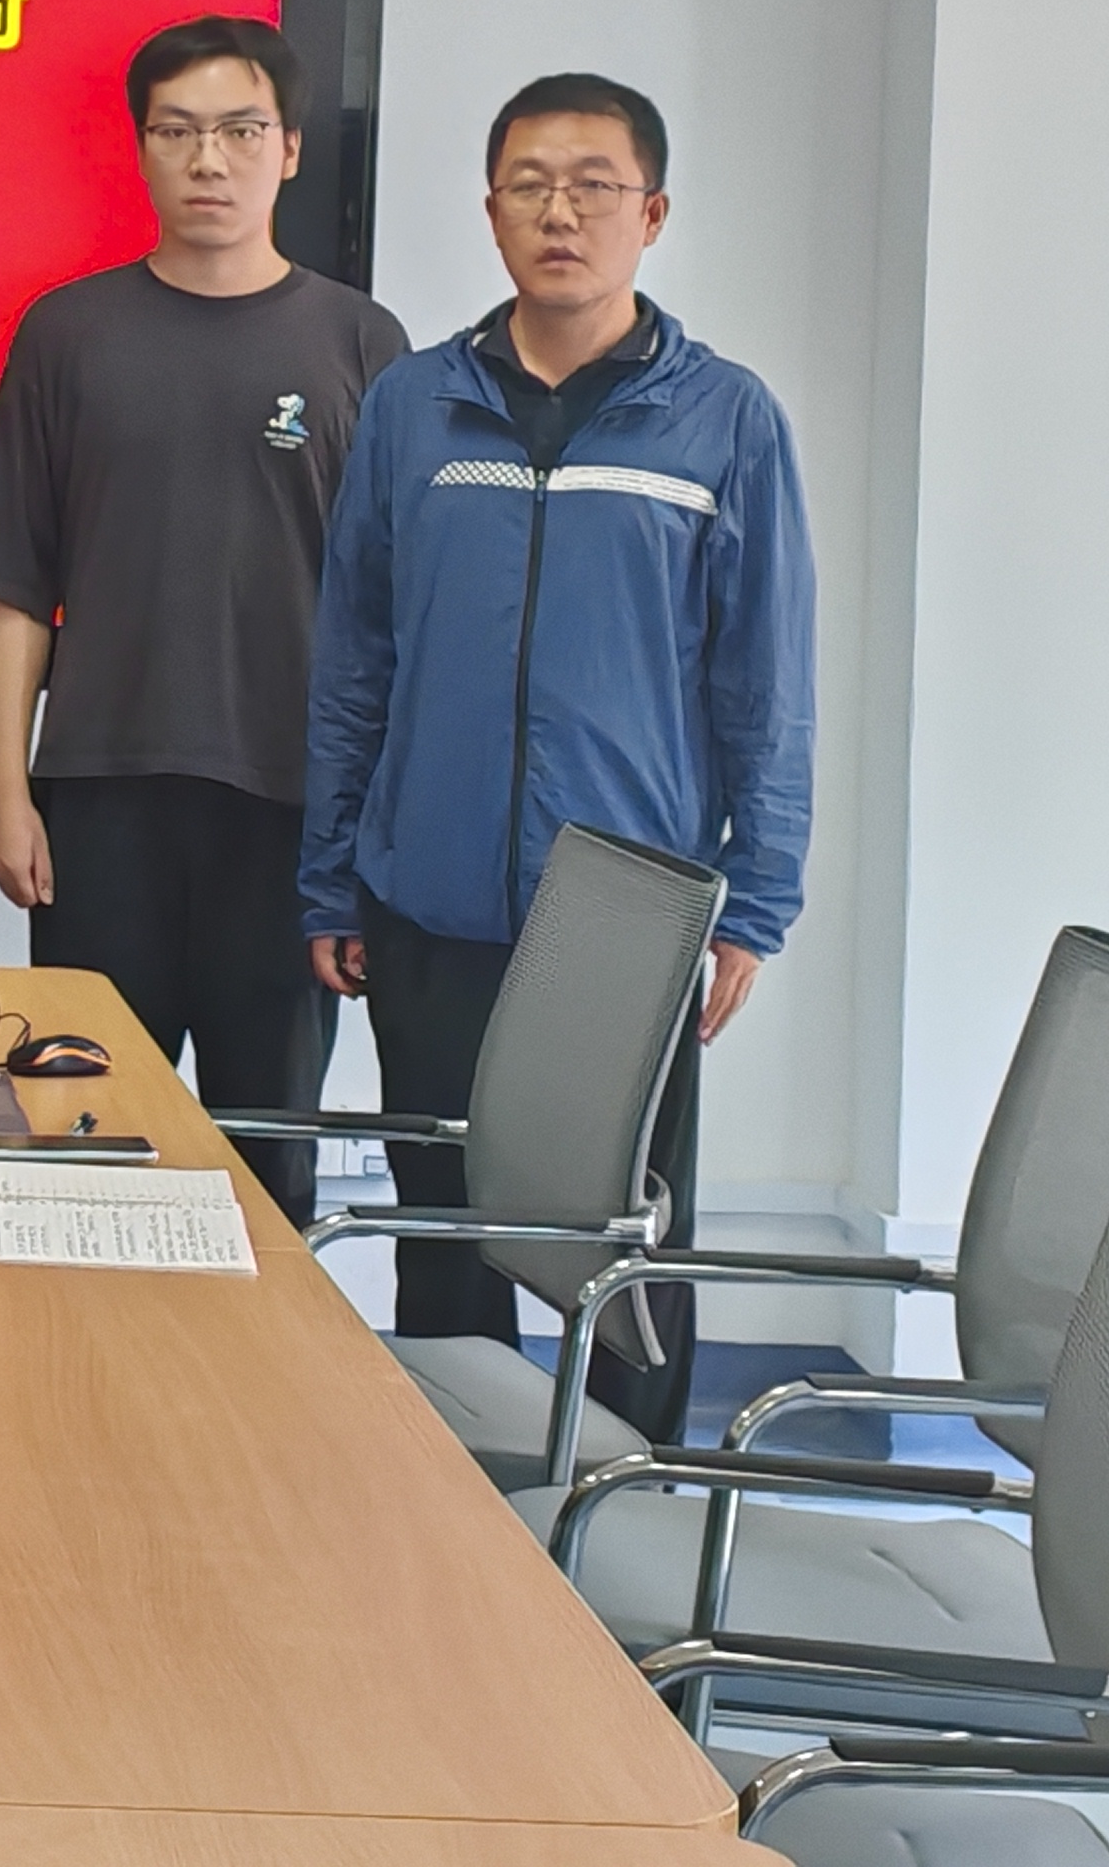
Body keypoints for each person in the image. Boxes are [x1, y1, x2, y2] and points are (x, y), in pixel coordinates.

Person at [299, 71, 814, 1437]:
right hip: (430, 902)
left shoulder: (725, 418)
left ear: (652, 214)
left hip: (624, 921)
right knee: (444, 1236)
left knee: (622, 1255)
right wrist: (331, 874)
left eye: (593, 186)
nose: (559, 213)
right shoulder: (414, 408)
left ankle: (628, 1513)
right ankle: (452, 1512)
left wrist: (754, 903)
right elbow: (354, 660)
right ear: (490, 212)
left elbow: (765, 682)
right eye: (529, 185)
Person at [0, 17, 405, 1216]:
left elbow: (389, 615)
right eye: (177, 132)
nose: (208, 159)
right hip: (101, 800)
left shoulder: (361, 343)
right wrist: (6, 789)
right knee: (81, 1137)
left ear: (289, 149)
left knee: (265, 1158)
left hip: (288, 809)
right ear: (141, 149)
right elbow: (14, 580)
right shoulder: (68, 333)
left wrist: (363, 830)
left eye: (240, 131)